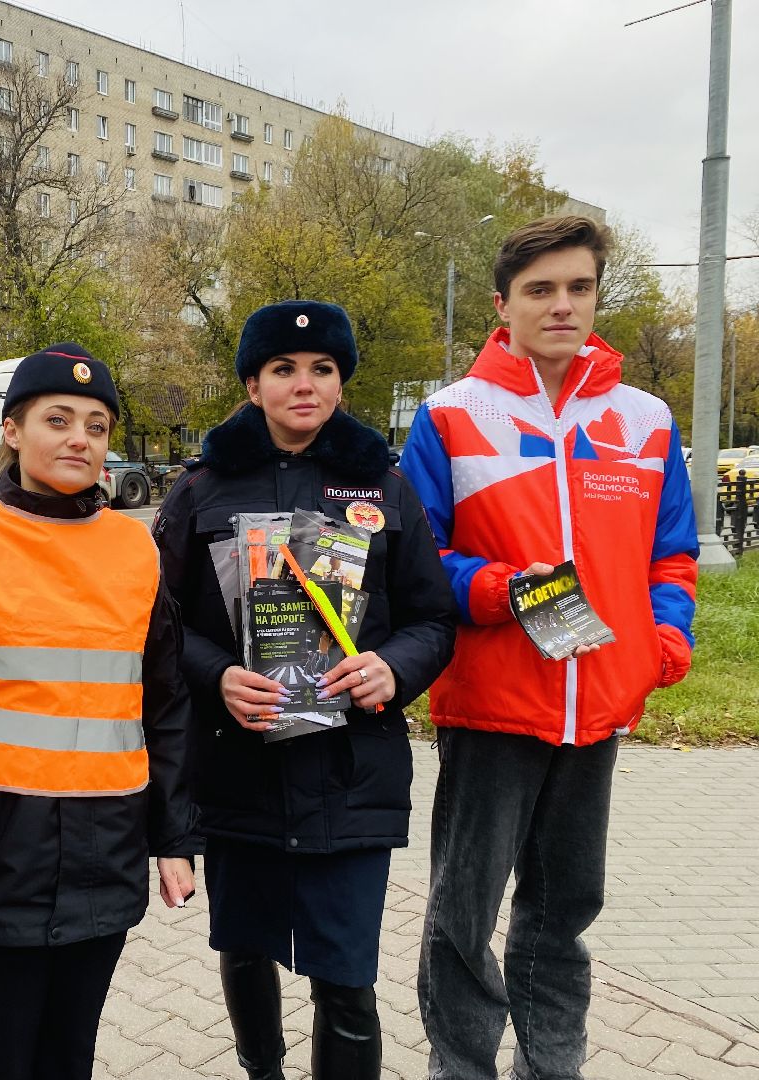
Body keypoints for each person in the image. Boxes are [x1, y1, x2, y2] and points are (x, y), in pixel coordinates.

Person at [399, 215, 698, 1080]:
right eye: (540, 290)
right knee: (465, 913)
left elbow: (670, 554)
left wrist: (665, 641)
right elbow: (420, 562)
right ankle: (462, 1070)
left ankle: (551, 1066)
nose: (562, 305)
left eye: (578, 287)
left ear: (597, 295)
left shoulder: (643, 420)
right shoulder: (452, 416)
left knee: (564, 911)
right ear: (503, 304)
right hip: (492, 706)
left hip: (599, 707)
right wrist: (494, 590)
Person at [0, 343, 199, 1080]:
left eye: (97, 425)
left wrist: (176, 837)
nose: (80, 438)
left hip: (105, 861)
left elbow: (167, 704)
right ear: (13, 432)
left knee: (69, 1061)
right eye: (58, 419)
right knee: (4, 1063)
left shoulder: (135, 549)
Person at [153, 300, 458, 1080]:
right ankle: (262, 1071)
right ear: (252, 384)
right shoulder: (203, 490)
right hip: (238, 770)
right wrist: (216, 676)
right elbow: (157, 624)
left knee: (347, 979)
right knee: (245, 950)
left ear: (342, 384)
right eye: (283, 370)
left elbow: (432, 616)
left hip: (351, 774)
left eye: (322, 369)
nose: (304, 384)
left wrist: (394, 667)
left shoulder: (384, 488)